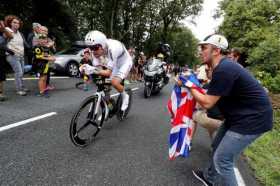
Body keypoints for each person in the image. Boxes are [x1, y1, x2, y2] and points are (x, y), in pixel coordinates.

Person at [187, 34, 273, 186]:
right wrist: (193, 85)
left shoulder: (224, 69)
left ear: (216, 51)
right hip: (237, 117)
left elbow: (207, 103)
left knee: (223, 160)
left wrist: (188, 86)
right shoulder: (222, 67)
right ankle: (210, 178)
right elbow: (211, 94)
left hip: (252, 120)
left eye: (204, 48)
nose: (200, 51)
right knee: (217, 146)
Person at [81, 30, 132, 111]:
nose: (93, 51)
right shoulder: (96, 50)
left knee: (114, 82)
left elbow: (108, 73)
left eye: (95, 48)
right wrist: (85, 69)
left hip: (124, 64)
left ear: (103, 45)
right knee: (103, 86)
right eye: (90, 48)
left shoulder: (113, 49)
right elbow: (98, 68)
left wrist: (92, 70)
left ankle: (125, 95)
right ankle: (109, 109)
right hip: (114, 64)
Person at [4, 15, 30, 96]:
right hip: (12, 55)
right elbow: (2, 43)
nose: (16, 24)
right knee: (19, 72)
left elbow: (24, 44)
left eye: (18, 23)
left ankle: (22, 86)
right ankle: (19, 90)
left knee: (21, 72)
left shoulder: (20, 33)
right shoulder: (7, 31)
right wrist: (10, 50)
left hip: (21, 56)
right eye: (14, 22)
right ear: (10, 23)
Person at [32, 26, 55, 97]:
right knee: (42, 78)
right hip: (40, 64)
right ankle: (41, 92)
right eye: (41, 39)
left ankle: (44, 89)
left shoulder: (45, 47)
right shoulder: (37, 47)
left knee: (45, 77)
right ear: (38, 40)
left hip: (45, 64)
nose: (43, 40)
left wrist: (51, 57)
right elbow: (38, 56)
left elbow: (47, 54)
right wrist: (49, 58)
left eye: (45, 39)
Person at [0, 20, 14, 101]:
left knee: (1, 76)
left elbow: (11, 37)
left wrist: (3, 27)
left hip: (1, 57)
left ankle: (1, 93)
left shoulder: (4, 33)